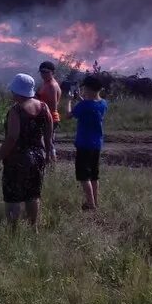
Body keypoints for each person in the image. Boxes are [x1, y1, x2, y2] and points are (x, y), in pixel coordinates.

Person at [0, 73, 54, 231]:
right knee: (33, 194)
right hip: (38, 157)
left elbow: (12, 137)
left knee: (13, 197)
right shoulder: (43, 107)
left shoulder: (16, 110)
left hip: (17, 159)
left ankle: (13, 232)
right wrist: (48, 151)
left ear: (17, 92)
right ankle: (34, 228)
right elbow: (49, 132)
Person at [65, 75, 108, 211]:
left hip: (84, 145)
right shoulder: (103, 104)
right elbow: (91, 107)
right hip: (97, 144)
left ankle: (91, 205)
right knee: (94, 175)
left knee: (84, 177)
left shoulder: (83, 106)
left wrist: (69, 101)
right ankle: (95, 201)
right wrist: (81, 99)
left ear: (88, 89)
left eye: (84, 88)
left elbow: (69, 115)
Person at [36, 61, 62, 144]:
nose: (43, 74)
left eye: (46, 72)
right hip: (46, 116)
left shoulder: (52, 85)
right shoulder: (46, 83)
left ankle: (50, 157)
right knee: (46, 143)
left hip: (49, 117)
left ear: (52, 72)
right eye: (41, 72)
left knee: (47, 144)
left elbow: (53, 107)